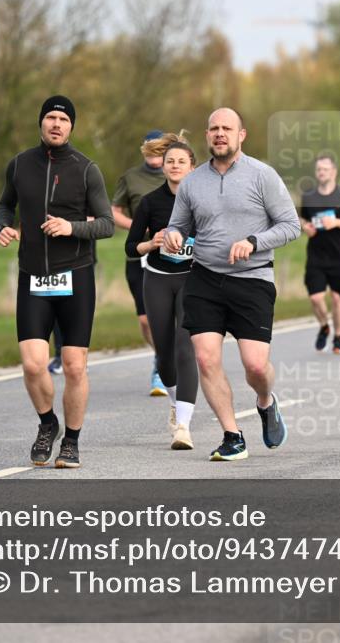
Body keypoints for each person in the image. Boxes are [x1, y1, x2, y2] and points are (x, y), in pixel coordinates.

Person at [165, 108, 301, 461]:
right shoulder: (193, 182)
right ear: (207, 135)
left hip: (252, 279)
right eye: (213, 128)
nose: (220, 133)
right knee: (206, 359)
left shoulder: (262, 175)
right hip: (205, 280)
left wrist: (253, 241)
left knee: (256, 366)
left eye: (227, 128)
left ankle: (265, 401)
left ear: (242, 134)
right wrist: (174, 236)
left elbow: (290, 225)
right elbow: (178, 224)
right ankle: (232, 434)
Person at [0, 95, 115, 468]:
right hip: (32, 276)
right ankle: (48, 423)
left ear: (71, 126)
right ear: (41, 123)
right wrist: (3, 226)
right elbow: (4, 204)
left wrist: (71, 227)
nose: (57, 124)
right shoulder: (19, 165)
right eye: (50, 117)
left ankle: (72, 441)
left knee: (75, 366)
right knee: (33, 365)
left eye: (63, 118)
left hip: (75, 275)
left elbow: (107, 224)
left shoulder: (86, 169)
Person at [126, 133, 200, 450]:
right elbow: (131, 247)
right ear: (163, 167)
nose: (174, 166)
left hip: (193, 280)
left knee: (186, 348)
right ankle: (175, 402)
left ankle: (183, 426)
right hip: (156, 278)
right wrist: (152, 243)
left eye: (181, 161)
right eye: (170, 161)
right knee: (165, 353)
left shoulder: (203, 200)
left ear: (192, 167)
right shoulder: (150, 202)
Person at [112, 130, 169, 396]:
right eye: (149, 149)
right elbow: (114, 213)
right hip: (139, 255)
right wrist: (141, 229)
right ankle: (161, 358)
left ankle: (168, 363)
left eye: (159, 149)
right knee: (146, 321)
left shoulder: (178, 173)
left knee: (171, 317)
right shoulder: (131, 177)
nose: (154, 155)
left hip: (174, 255)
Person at [300, 154, 340, 354]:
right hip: (316, 256)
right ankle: (324, 326)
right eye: (319, 169)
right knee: (316, 298)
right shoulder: (308, 196)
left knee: (337, 298)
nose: (321, 172)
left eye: (325, 169)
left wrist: (336, 222)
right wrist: (305, 227)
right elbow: (303, 219)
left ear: (334, 172)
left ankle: (338, 338)